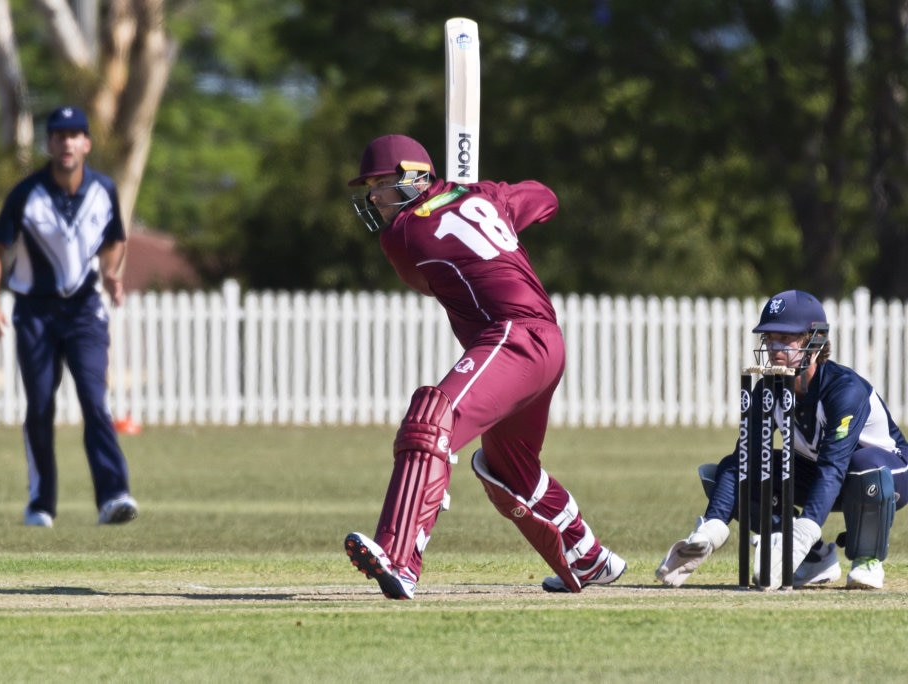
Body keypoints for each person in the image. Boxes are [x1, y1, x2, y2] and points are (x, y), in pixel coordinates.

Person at [342, 134, 626, 599]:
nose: (374, 197)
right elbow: (546, 199)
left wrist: (455, 209)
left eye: (382, 185)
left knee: (433, 417)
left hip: (511, 335)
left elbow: (422, 279)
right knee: (510, 469)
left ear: (414, 179)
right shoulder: (487, 197)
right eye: (370, 188)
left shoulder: (403, 234)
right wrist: (484, 200)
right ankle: (589, 556)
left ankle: (400, 557)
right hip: (546, 342)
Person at [657, 289, 908, 589]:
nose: (775, 348)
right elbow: (745, 458)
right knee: (728, 473)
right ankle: (814, 561)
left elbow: (833, 466)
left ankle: (868, 560)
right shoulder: (768, 388)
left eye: (786, 339)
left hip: (885, 475)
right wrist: (712, 527)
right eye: (770, 338)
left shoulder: (845, 390)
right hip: (822, 472)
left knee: (863, 464)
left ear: (814, 340)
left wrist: (803, 531)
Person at [0, 105, 138, 528]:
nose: (67, 142)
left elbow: (116, 240)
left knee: (93, 399)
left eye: (75, 135)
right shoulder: (26, 194)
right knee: (41, 405)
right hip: (35, 311)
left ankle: (113, 496)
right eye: (59, 135)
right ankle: (40, 502)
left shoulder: (104, 190)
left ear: (86, 143)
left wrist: (109, 272)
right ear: (48, 143)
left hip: (85, 310)